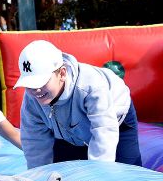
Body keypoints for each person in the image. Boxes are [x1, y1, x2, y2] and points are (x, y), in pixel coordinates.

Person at [13, 40, 142, 168]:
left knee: (128, 171)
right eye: (29, 84)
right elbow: (34, 142)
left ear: (62, 73)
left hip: (116, 121)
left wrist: (99, 174)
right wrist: (38, 176)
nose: (36, 90)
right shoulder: (32, 98)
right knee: (60, 176)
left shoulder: (90, 87)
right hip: (68, 133)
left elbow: (104, 132)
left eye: (41, 82)